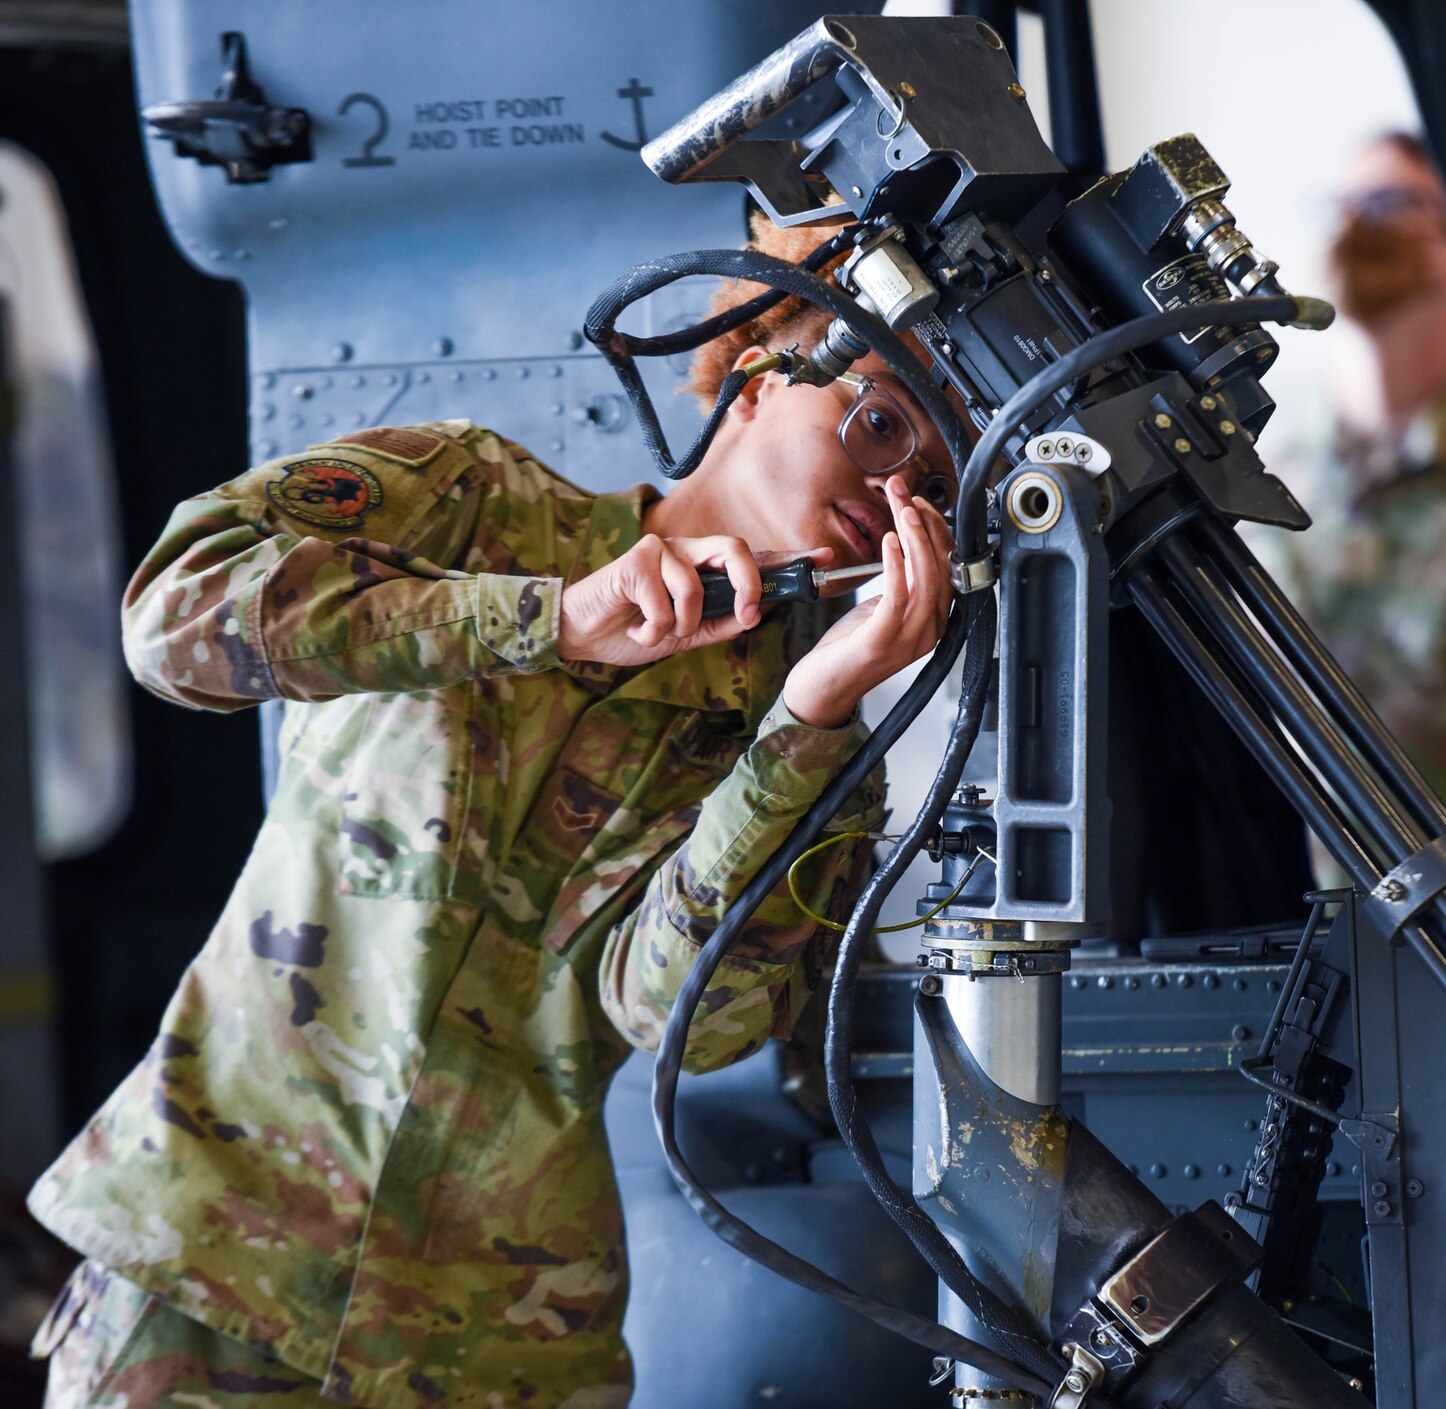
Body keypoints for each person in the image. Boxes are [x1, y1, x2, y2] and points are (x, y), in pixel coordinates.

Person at [25, 218, 957, 1409]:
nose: (893, 494)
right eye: (879, 423)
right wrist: (543, 619)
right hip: (204, 1265)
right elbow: (175, 619)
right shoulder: (473, 501)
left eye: (932, 481)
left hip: (487, 1348)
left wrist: (810, 717)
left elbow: (678, 1020)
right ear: (764, 377)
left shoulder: (806, 744)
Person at [1249, 131, 1446, 829]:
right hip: (1302, 897)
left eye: (1393, 204)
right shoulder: (1253, 464)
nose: (1360, 226)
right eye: (1342, 207)